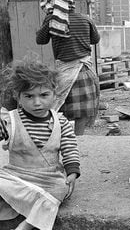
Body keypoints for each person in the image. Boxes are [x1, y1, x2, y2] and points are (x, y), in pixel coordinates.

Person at [0, 59, 80, 230]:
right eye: (29, 96)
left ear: (54, 94)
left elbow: (69, 148)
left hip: (49, 178)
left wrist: (72, 172)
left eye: (44, 95)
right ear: (18, 97)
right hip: (17, 176)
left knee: (61, 188)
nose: (37, 102)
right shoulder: (10, 121)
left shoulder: (61, 122)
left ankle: (27, 225)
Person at [36, 0, 101, 135]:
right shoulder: (86, 19)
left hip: (64, 72)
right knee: (82, 112)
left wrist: (49, 19)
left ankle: (60, 137)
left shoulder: (52, 21)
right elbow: (95, 40)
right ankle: (78, 138)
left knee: (58, 108)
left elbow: (40, 40)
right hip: (84, 71)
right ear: (72, 3)